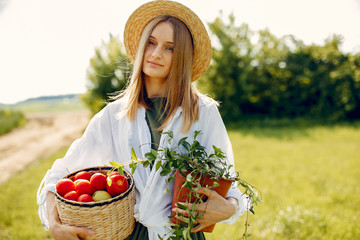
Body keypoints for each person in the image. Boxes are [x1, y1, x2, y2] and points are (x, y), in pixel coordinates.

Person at [37, 1, 249, 239]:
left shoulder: (202, 111)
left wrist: (230, 207)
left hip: (182, 234)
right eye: (151, 42)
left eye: (170, 48)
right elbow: (59, 176)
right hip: (128, 233)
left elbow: (226, 181)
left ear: (182, 57)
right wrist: (54, 222)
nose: (156, 53)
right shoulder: (114, 115)